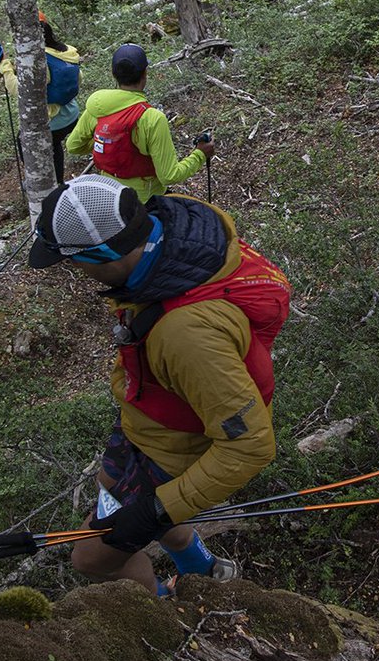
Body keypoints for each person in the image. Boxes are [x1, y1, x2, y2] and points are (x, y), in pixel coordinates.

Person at [29, 173, 290, 594]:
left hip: (177, 445)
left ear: (102, 255)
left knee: (91, 558)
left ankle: (163, 607)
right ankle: (203, 568)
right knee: (108, 484)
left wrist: (157, 509)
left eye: (73, 262)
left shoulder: (185, 333)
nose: (75, 272)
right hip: (150, 417)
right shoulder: (173, 231)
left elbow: (250, 444)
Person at [66, 42, 214, 202]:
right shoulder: (152, 118)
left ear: (113, 74)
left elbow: (73, 146)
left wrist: (109, 144)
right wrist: (200, 154)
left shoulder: (98, 107)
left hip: (109, 196)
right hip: (145, 202)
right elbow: (169, 176)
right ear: (145, 73)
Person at [0, 13, 81, 184]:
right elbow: (79, 78)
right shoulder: (66, 51)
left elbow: (19, 90)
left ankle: (41, 183)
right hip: (71, 114)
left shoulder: (39, 60)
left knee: (24, 140)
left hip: (53, 121)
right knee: (54, 144)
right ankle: (58, 182)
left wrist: (5, 67)